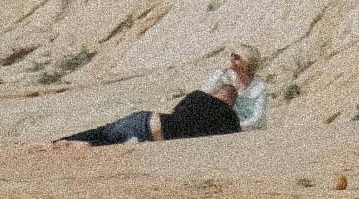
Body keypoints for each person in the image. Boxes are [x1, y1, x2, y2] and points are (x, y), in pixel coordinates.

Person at [58, 47, 264, 147]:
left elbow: (256, 118)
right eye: (232, 55)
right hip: (179, 131)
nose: (232, 60)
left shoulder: (257, 87)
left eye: (236, 57)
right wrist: (222, 74)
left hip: (153, 123)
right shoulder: (224, 90)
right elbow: (206, 92)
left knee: (106, 132)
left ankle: (63, 141)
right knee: (109, 137)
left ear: (246, 62)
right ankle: (71, 143)